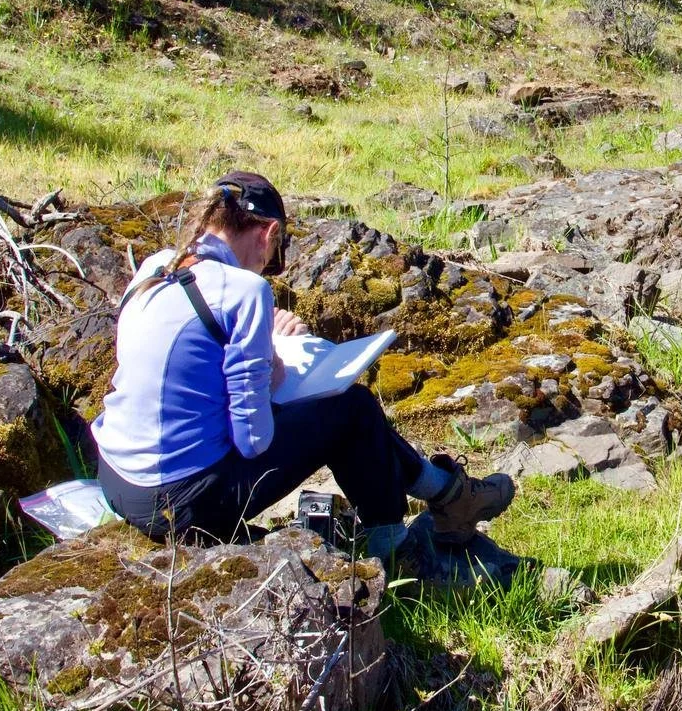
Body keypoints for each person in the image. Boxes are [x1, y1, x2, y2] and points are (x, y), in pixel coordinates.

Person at [91, 170, 513, 546]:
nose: (264, 270)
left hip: (117, 478)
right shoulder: (243, 291)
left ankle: (448, 494)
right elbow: (253, 440)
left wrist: (259, 346)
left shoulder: (157, 266)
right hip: (181, 501)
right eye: (271, 261)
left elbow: (183, 377)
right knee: (352, 409)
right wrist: (273, 372)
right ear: (268, 233)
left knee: (343, 412)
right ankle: (401, 545)